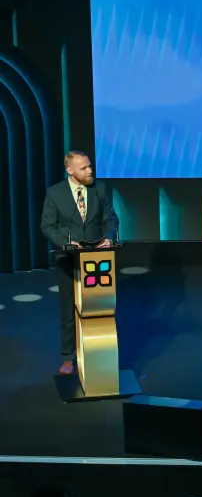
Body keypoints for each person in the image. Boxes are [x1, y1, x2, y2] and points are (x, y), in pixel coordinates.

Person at [40, 151, 118, 376]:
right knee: (68, 308)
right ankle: (68, 357)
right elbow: (47, 226)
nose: (90, 171)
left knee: (99, 304)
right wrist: (66, 242)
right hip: (69, 258)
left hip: (97, 258)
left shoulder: (100, 188)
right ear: (70, 170)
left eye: (90, 166)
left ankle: (100, 350)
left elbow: (111, 218)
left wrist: (109, 237)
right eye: (84, 168)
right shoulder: (55, 193)